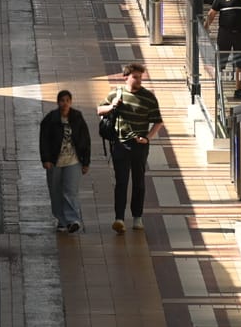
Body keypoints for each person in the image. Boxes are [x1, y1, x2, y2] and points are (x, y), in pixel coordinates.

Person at [97, 63, 163, 234]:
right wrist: (112, 106)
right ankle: (119, 218)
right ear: (125, 77)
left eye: (140, 77)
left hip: (140, 146)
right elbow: (99, 109)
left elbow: (158, 121)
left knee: (139, 182)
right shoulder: (116, 93)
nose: (139, 80)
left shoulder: (148, 97)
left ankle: (137, 217)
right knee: (121, 182)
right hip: (120, 144)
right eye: (135, 77)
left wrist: (147, 138)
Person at [40, 90, 90, 233]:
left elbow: (85, 140)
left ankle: (72, 219)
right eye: (62, 100)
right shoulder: (50, 119)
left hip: (73, 161)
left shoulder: (77, 117)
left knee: (70, 191)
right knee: (55, 191)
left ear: (71, 102)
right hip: (55, 162)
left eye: (67, 100)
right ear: (58, 102)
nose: (65, 103)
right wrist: (46, 159)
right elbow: (44, 140)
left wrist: (86, 162)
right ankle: (61, 220)